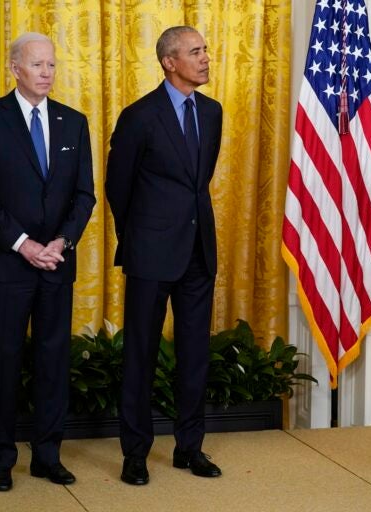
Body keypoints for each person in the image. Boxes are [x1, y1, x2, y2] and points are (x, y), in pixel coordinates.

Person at [0, 32, 95, 492]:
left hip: (56, 262)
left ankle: (47, 456)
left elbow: (85, 195)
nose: (47, 73)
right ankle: (1, 460)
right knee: (5, 360)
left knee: (54, 361)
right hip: (6, 264)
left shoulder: (74, 122)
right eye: (38, 65)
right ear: (15, 68)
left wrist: (61, 241)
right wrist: (23, 244)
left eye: (52, 65)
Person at [105, 25, 223, 485]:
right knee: (141, 354)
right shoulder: (139, 116)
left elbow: (198, 183)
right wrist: (140, 238)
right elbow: (119, 188)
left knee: (195, 356)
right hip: (150, 254)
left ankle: (189, 448)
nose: (206, 58)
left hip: (198, 253)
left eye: (206, 50)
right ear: (170, 62)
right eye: (196, 52)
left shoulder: (212, 112)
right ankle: (134, 453)